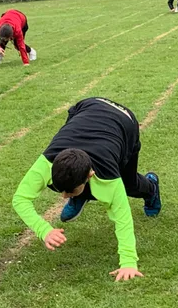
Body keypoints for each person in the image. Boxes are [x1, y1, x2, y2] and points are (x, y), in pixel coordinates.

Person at [12, 97, 161, 282]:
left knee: (129, 185)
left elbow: (122, 219)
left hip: (124, 122)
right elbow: (20, 199)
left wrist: (128, 262)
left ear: (90, 174)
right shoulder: (46, 164)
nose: (63, 196)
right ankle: (81, 195)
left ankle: (152, 188)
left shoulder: (109, 178)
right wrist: (44, 230)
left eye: (70, 192)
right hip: (87, 106)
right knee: (67, 181)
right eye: (63, 191)